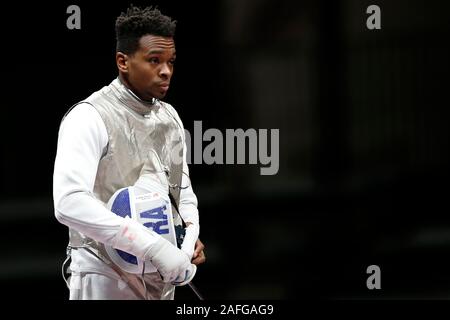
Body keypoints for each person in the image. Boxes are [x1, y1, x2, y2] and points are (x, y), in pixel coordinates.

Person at [53, 5, 205, 300]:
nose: (165, 71)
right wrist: (154, 246)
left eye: (170, 62)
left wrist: (186, 240)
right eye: (154, 60)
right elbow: (68, 202)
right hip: (103, 275)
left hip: (160, 278)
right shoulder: (89, 116)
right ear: (123, 61)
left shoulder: (170, 118)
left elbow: (181, 192)